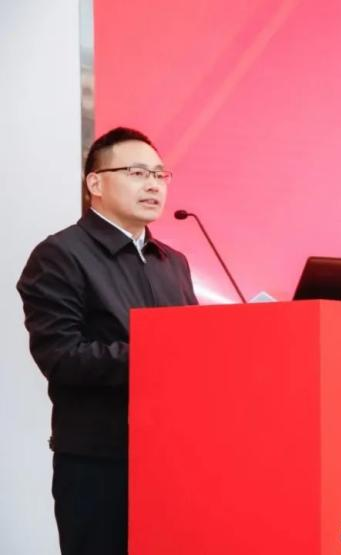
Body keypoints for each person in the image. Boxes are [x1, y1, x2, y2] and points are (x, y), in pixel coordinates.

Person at [17, 127, 198, 554]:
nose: (153, 184)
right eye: (137, 172)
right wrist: (158, 358)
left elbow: (193, 344)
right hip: (100, 463)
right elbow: (61, 356)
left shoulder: (173, 262)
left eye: (160, 174)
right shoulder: (60, 255)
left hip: (176, 454)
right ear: (95, 183)